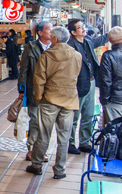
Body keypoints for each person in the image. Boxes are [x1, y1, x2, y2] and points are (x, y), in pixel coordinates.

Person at [26, 25, 82, 179]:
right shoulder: (76, 55)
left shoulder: (47, 56)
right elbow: (76, 75)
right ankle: (59, 170)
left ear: (55, 39)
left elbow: (39, 79)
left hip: (50, 98)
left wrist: (39, 97)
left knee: (44, 133)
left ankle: (36, 164)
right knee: (64, 136)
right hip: (69, 99)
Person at [66, 19, 101, 155]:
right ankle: (71, 143)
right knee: (74, 115)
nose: (83, 29)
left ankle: (84, 142)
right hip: (78, 84)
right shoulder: (71, 46)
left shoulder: (87, 42)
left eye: (83, 26)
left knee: (89, 113)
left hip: (91, 82)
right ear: (73, 32)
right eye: (80, 28)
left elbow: (100, 41)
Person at [18, 20, 52, 157]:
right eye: (49, 29)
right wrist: (21, 90)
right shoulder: (31, 47)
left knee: (47, 124)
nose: (51, 31)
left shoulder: (56, 47)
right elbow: (24, 70)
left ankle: (41, 150)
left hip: (51, 91)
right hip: (34, 90)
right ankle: (32, 149)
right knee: (35, 121)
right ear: (40, 33)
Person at [98, 26, 122, 122]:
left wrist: (104, 100)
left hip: (115, 101)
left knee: (115, 132)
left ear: (109, 40)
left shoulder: (108, 56)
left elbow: (105, 80)